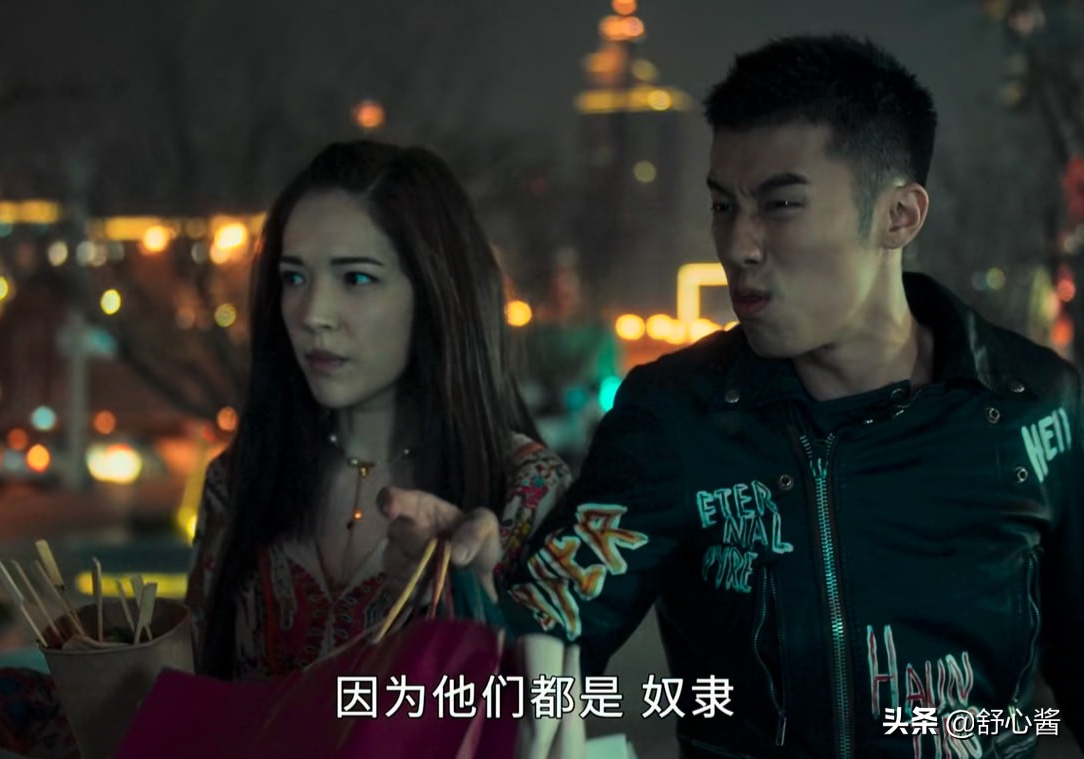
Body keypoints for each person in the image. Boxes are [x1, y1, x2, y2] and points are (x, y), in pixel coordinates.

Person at [383, 36, 1084, 758]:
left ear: (898, 215)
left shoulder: (1030, 409)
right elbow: (537, 656)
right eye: (723, 205)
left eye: (780, 205)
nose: (737, 245)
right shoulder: (675, 416)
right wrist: (465, 596)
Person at [0, 140, 571, 755]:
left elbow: (561, 711)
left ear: (437, 292)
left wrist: (481, 599)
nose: (312, 312)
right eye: (293, 277)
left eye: (356, 278)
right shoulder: (240, 480)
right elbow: (201, 699)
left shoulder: (524, 490)